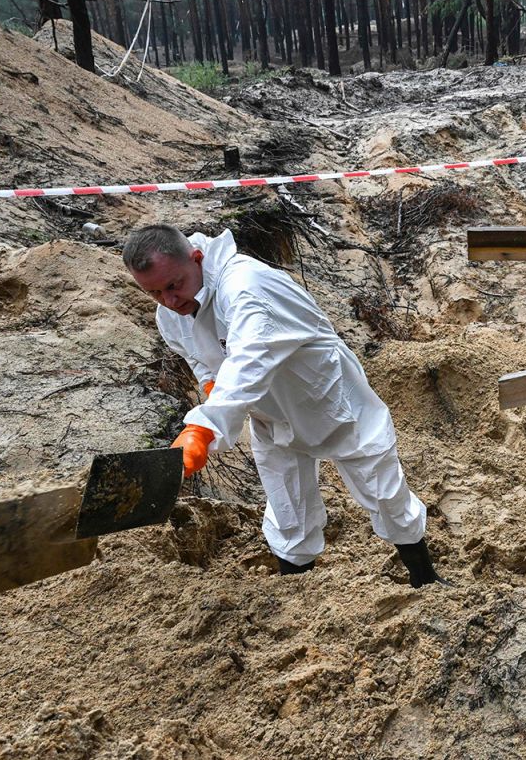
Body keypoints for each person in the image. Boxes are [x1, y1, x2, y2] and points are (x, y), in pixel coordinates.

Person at [122, 225, 444, 586]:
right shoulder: (171, 314)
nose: (169, 300)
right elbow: (198, 355)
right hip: (269, 415)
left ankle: (424, 577)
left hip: (325, 396)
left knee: (383, 490)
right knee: (288, 507)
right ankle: (295, 594)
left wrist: (203, 427)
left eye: (173, 285)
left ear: (196, 259)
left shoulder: (246, 287)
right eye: (154, 293)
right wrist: (211, 385)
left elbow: (249, 358)